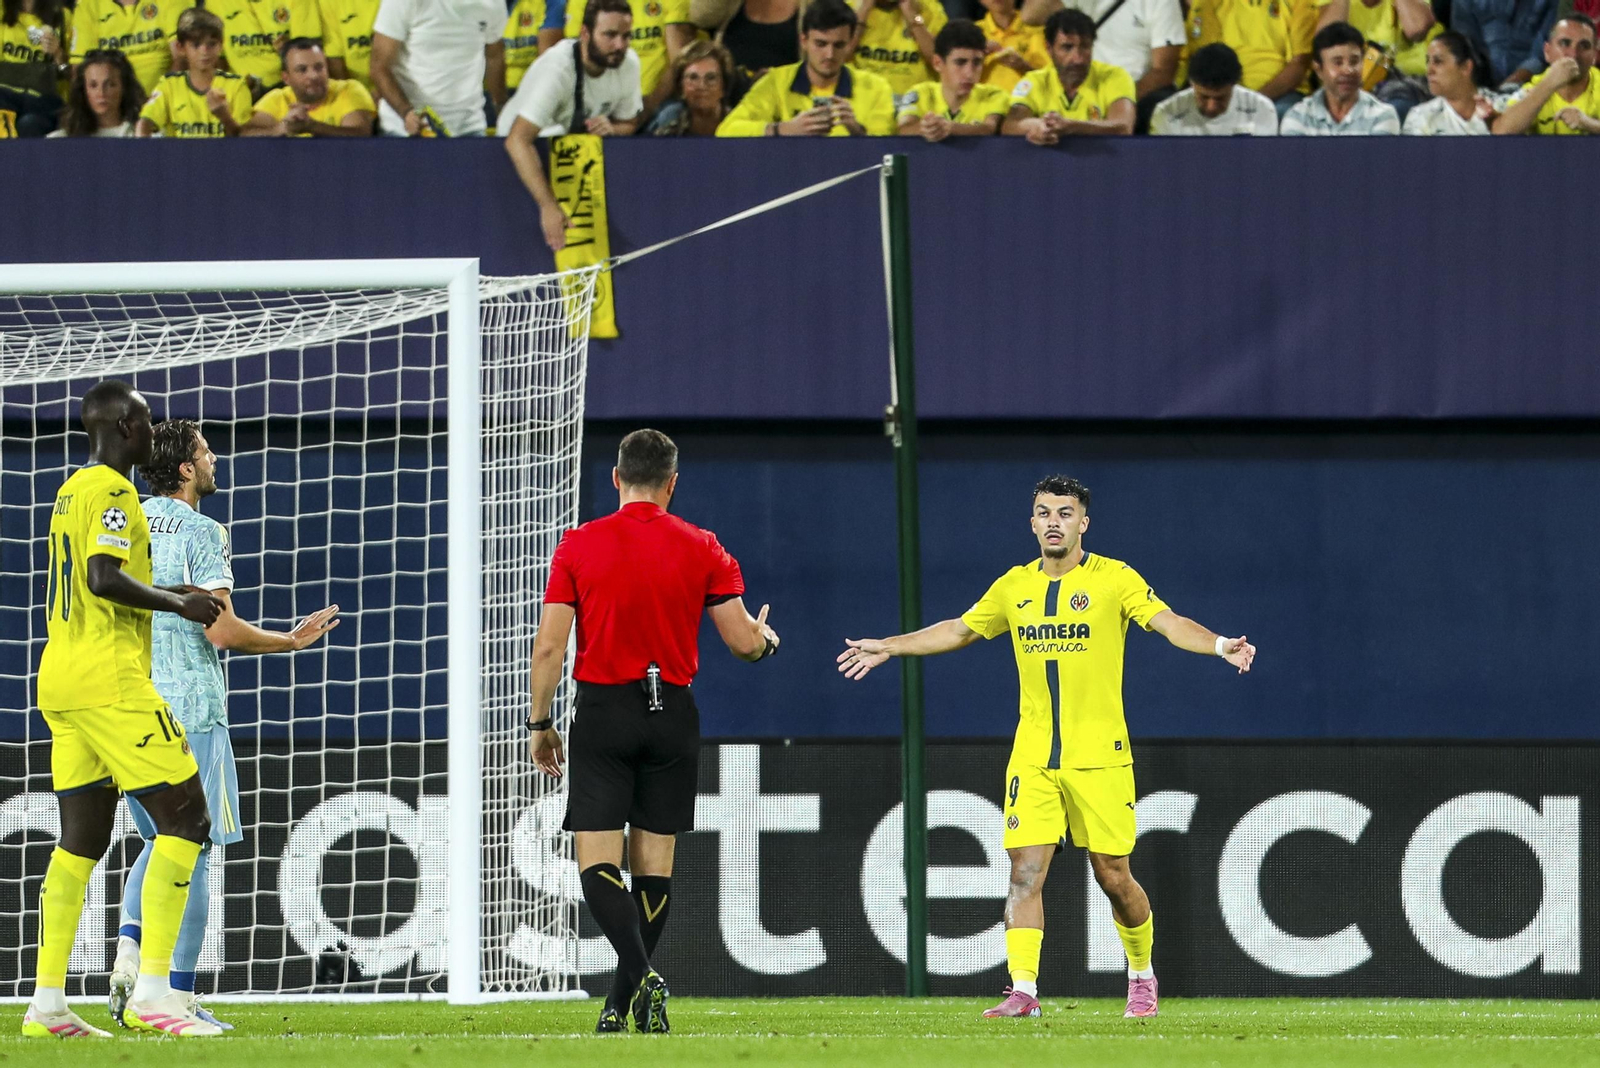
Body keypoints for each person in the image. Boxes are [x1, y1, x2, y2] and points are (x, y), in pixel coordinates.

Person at [837, 475, 1254, 1022]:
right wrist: (890, 645)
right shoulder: (1014, 586)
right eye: (1043, 512)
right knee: (1024, 874)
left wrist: (1220, 645)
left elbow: (1168, 623)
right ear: (1031, 523)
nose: (1053, 521)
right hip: (1033, 757)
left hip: (1100, 756)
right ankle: (1024, 991)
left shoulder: (1114, 579)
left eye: (1065, 512)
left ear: (1084, 522)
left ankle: (1141, 976)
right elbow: (960, 630)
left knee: (1113, 875)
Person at [529, 429, 779, 1034]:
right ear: (672, 483)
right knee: (654, 868)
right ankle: (622, 1004)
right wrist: (767, 642)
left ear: (616, 479)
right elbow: (744, 642)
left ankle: (637, 981)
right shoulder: (705, 547)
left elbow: (549, 649)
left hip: (604, 713)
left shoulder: (577, 546)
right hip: (672, 715)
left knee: (597, 862)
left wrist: (540, 722)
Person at [107, 421, 340, 1034]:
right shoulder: (203, 530)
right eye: (205, 452)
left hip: (128, 702)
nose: (214, 460)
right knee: (195, 849)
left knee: (158, 842)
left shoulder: (123, 522)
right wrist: (289, 640)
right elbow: (219, 628)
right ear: (185, 469)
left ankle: (131, 952)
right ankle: (175, 996)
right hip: (192, 707)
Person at [19, 380, 225, 1041]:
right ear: (124, 428)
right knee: (188, 817)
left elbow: (98, 578)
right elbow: (103, 578)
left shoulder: (70, 491)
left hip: (62, 679)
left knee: (80, 841)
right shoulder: (112, 491)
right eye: (142, 420)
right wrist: (180, 604)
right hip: (113, 681)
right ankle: (157, 994)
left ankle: (47, 1002)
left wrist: (168, 587)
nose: (148, 429)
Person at [503, 0, 642, 250]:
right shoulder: (559, 69)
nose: (620, 45)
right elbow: (517, 140)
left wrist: (613, 129)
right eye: (610, 35)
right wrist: (547, 206)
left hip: (567, 149)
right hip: (519, 152)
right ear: (585, 33)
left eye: (626, 36)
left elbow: (629, 122)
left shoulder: (628, 64)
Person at [716, 0, 897, 135]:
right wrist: (783, 129)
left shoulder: (876, 88)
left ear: (850, 43)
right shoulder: (776, 82)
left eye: (839, 45)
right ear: (804, 40)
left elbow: (887, 146)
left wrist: (857, 131)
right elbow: (727, 130)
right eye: (821, 44)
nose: (829, 55)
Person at [1022, 0, 1184, 124]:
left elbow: (1163, 71)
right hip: (1082, 90)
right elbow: (1030, 15)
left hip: (1137, 94)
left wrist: (1117, 102)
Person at [369, 0, 507, 136]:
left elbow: (494, 57)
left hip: (469, 128)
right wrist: (406, 112)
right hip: (405, 131)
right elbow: (379, 66)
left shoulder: (493, 3)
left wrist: (501, 107)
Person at [1002, 7, 1135, 140]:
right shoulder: (1034, 81)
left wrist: (1071, 126)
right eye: (1067, 47)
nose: (1078, 58)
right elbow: (1010, 125)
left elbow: (1123, 128)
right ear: (1049, 48)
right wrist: (1036, 125)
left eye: (1085, 47)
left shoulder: (1115, 77)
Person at [1183, 0, 1316, 118]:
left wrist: (1253, 102)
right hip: (1223, 94)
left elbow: (1299, 64)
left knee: (1284, 114)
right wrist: (1230, 101)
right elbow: (1205, 64)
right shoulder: (1209, 3)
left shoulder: (1299, 2)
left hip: (1281, 95)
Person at [562, 0, 695, 116]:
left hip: (656, 103)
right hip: (600, 103)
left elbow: (678, 63)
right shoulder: (580, 2)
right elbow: (578, 58)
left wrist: (648, 105)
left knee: (672, 113)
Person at [136, 8, 253, 137]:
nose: (204, 51)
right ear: (181, 48)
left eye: (212, 44)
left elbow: (243, 139)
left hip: (222, 156)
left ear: (221, 46)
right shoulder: (168, 86)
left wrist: (224, 117)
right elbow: (145, 122)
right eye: (196, 45)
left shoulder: (236, 86)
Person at [1314, 0, 1438, 118]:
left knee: (1391, 111)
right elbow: (1326, 43)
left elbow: (1417, 29)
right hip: (1350, 84)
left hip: (1404, 82)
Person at [898, 19, 1011, 137]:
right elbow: (905, 128)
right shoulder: (920, 93)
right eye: (960, 62)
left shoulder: (994, 95)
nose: (969, 73)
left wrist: (950, 127)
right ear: (937, 63)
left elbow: (988, 129)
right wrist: (926, 128)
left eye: (977, 63)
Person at [1279, 20, 1400, 131]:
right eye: (1338, 63)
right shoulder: (1298, 117)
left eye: (1354, 61)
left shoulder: (1382, 116)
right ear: (1318, 69)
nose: (1347, 70)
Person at [247, 37, 377, 135]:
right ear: (286, 78)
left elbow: (361, 136)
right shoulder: (278, 98)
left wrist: (312, 126)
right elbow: (244, 135)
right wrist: (281, 129)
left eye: (319, 67)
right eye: (302, 70)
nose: (313, 75)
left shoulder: (349, 90)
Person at [1493, 13, 1599, 130]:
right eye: (1564, 43)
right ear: (1547, 52)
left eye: (1584, 46)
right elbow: (1501, 131)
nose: (1574, 55)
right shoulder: (1534, 88)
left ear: (1594, 56)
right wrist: (1549, 84)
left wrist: (1590, 124)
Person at [1149, 40, 1278, 132]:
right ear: (1191, 83)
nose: (1211, 107)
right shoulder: (1167, 113)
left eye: (1220, 98)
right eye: (1204, 97)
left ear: (1235, 84)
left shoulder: (1261, 109)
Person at [212, 0, 322, 96]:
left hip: (286, 88)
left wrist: (290, 50)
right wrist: (229, 89)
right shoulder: (217, 3)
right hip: (240, 90)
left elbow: (309, 53)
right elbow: (217, 58)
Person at [68, 0, 178, 95]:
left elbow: (182, 56)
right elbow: (80, 68)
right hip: (110, 104)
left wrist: (160, 99)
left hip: (166, 99)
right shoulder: (88, 6)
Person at [1403, 30, 1499, 132]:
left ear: (1466, 67)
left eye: (1438, 61)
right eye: (1428, 62)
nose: (1429, 70)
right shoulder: (1421, 117)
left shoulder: (1502, 107)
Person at [848, 0, 948, 97]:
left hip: (915, 101)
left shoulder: (929, 8)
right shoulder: (850, 7)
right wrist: (863, 10)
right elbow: (841, 56)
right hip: (865, 98)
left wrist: (913, 16)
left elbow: (941, 62)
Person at [1453, 0, 1557, 87]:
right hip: (1478, 80)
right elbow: (1465, 45)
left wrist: (1513, 82)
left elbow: (1541, 51)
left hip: (1530, 84)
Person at [647, 37, 734, 133]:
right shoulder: (669, 128)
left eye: (711, 78)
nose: (701, 86)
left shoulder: (739, 126)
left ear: (723, 86)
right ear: (681, 87)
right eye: (693, 78)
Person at [50, 48, 144, 135]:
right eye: (93, 86)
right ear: (83, 90)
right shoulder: (60, 140)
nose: (101, 93)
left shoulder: (142, 135)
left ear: (124, 87)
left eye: (110, 85)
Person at [975, 0, 1049, 91]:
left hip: (1029, 102)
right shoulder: (973, 34)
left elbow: (1053, 82)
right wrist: (975, 58)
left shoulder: (1038, 30)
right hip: (986, 103)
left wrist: (1024, 67)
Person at [1, 0, 66, 99]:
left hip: (40, 99)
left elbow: (70, 75)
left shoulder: (62, 16)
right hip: (5, 94)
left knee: (31, 115)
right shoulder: (2, 9)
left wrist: (58, 53)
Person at [320, 0, 384, 94]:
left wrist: (385, 92)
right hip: (356, 94)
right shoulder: (328, 3)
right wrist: (355, 97)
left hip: (398, 86)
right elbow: (334, 60)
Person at [503, 0, 566, 91]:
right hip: (489, 88)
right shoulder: (483, 6)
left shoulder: (552, 3)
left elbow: (547, 64)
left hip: (532, 85)